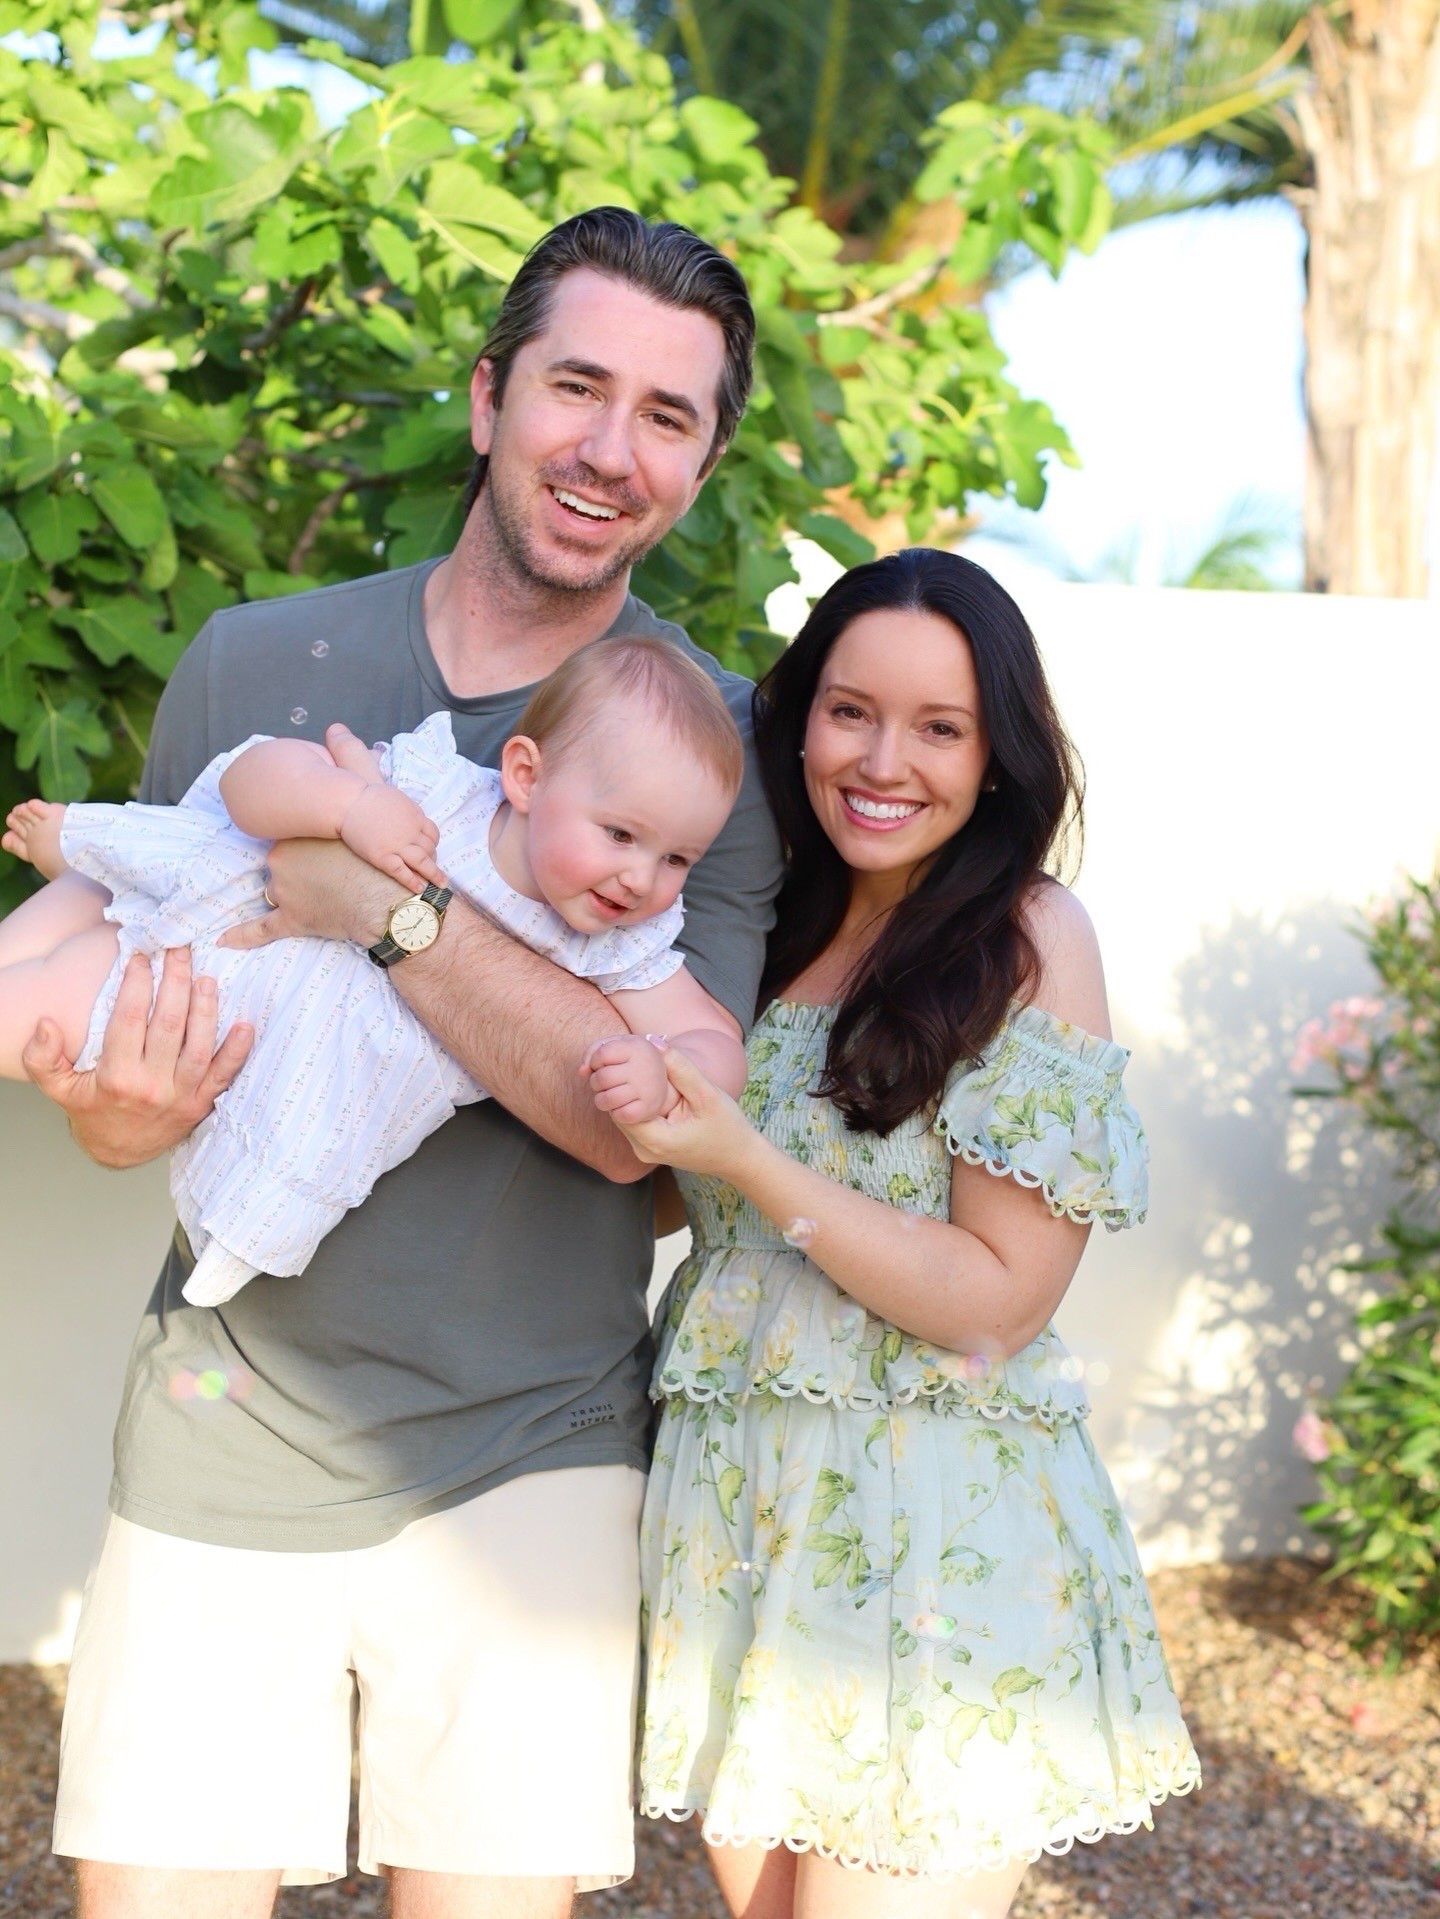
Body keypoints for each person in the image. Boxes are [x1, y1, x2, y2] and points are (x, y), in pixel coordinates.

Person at [42, 208, 782, 1919]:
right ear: (485, 398)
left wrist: (386, 908)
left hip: (537, 1448)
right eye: (576, 387)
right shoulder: (257, 658)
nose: (611, 446)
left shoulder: (716, 752)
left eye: (668, 415)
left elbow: (646, 1131)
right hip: (223, 1423)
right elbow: (150, 1033)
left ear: (705, 460)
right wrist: (110, 1107)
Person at [596, 549, 1200, 1919]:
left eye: (940, 726)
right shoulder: (752, 925)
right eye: (851, 709)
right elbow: (676, 1195)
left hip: (937, 1554)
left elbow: (999, 1299)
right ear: (798, 715)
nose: (884, 759)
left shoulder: (1030, 937)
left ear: (997, 755)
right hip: (745, 1526)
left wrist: (741, 1149)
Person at [1, 638, 747, 1307]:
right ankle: (85, 853)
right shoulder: (430, 790)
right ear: (524, 776)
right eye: (620, 834)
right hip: (226, 903)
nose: (641, 878)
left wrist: (662, 1070)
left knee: (30, 1011)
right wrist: (353, 804)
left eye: (678, 857)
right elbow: (250, 778)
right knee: (92, 902)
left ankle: (79, 872)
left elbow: (709, 1044)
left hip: (218, 1007)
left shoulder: (618, 942)